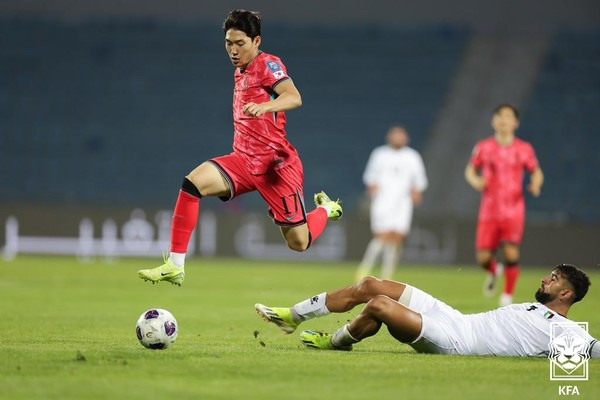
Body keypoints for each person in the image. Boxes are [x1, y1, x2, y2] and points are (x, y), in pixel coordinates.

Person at [138, 10, 342, 286]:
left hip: (276, 166)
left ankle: (327, 209)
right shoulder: (240, 71)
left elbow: (294, 97)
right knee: (192, 183)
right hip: (244, 161)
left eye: (240, 43)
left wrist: (266, 106)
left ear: (256, 41)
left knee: (299, 242)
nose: (233, 50)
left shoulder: (268, 64)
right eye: (228, 43)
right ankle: (175, 265)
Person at [255, 264, 599, 358]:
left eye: (552, 279)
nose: (544, 278)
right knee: (371, 285)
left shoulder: (567, 332)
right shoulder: (535, 308)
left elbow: (594, 349)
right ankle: (293, 316)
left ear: (566, 293)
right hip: (456, 318)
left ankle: (335, 342)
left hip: (456, 340)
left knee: (378, 306)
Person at [464, 104, 544, 306]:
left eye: (508, 117)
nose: (503, 120)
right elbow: (470, 171)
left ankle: (507, 296)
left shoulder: (524, 149)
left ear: (515, 123)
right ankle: (493, 271)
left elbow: (536, 171)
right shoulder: (483, 147)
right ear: (493, 121)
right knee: (483, 259)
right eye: (499, 116)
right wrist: (475, 181)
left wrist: (536, 183)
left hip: (513, 210)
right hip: (489, 211)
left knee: (511, 252)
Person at [356, 126, 427, 281]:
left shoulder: (412, 156)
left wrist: (417, 191)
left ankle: (387, 275)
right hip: (383, 200)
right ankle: (365, 267)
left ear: (406, 138)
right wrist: (372, 185)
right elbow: (369, 176)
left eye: (401, 136)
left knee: (397, 237)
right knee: (382, 235)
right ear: (389, 137)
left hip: (403, 202)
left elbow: (419, 179)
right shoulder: (380, 154)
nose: (398, 139)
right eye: (395, 135)